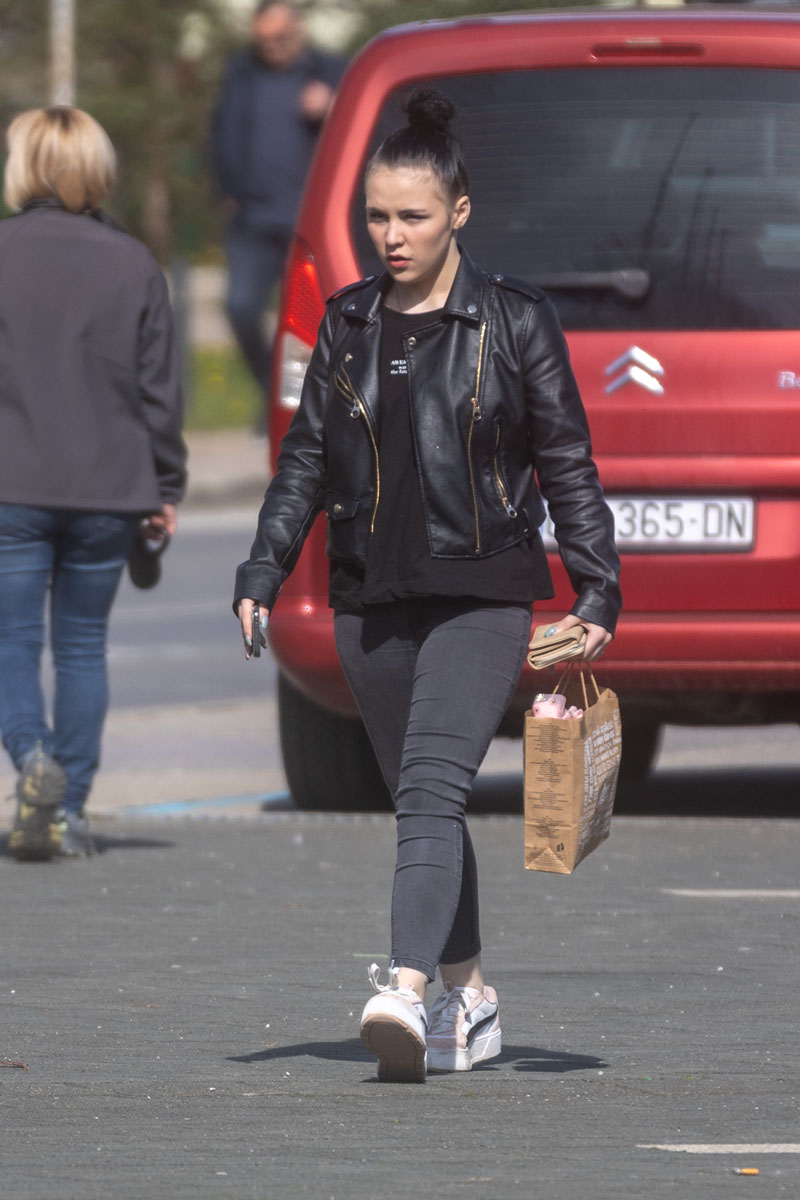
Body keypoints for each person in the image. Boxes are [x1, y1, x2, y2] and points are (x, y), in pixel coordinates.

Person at [233, 90, 621, 1082]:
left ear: (458, 212)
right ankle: (471, 996)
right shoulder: (348, 322)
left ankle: (404, 989)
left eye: (411, 215)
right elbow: (305, 461)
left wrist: (595, 590)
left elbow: (566, 460)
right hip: (371, 595)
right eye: (377, 216)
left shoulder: (513, 319)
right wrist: (263, 567)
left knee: (430, 789)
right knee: (425, 804)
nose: (391, 236)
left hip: (482, 591)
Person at [0, 107, 186, 860]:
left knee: (12, 640)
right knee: (82, 647)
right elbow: (159, 393)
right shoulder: (134, 263)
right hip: (111, 487)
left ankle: (31, 757)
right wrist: (165, 485)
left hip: (11, 482)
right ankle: (68, 811)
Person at [210, 0, 346, 404]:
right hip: (252, 220)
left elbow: (363, 128)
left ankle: (316, 402)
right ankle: (276, 395)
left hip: (310, 224)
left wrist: (333, 105)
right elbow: (220, 132)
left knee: (316, 320)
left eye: (279, 38)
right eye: (263, 40)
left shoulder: (331, 70)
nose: (271, 47)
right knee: (240, 309)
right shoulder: (241, 73)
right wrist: (226, 190)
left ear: (298, 29)